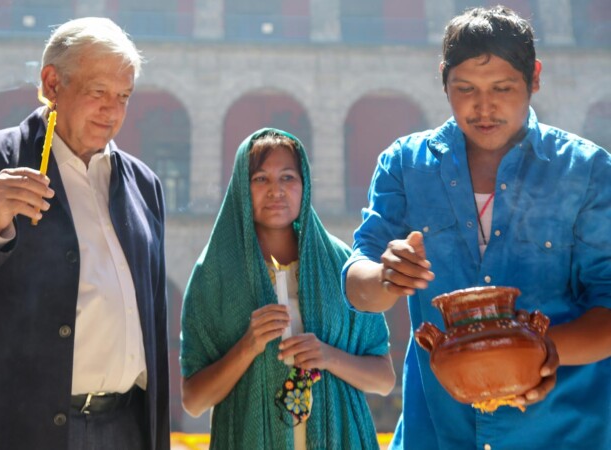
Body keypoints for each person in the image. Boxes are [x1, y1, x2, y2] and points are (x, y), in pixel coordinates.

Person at [344, 6, 611, 449]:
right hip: (438, 432)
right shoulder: (407, 165)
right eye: (465, 89)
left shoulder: (586, 171)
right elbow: (359, 288)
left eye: (503, 88)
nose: (483, 107)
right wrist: (386, 277)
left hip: (561, 432)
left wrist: (543, 352)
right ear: (443, 80)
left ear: (535, 78)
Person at [0, 17, 169, 450]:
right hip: (15, 432)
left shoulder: (144, 185)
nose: (113, 111)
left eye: (123, 96)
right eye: (98, 92)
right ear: (52, 83)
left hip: (123, 430)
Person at [180, 128, 395, 449]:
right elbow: (194, 400)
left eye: (288, 178)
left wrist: (328, 356)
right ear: (241, 187)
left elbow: (384, 378)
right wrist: (248, 346)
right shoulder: (214, 275)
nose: (276, 190)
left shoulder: (341, 265)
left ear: (304, 185)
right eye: (260, 179)